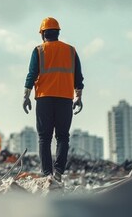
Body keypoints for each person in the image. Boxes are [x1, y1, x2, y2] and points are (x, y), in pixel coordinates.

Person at [22, 17, 84, 178]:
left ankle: (47, 173)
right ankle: (58, 172)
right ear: (57, 32)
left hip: (44, 99)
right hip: (65, 98)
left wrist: (26, 95)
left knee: (44, 138)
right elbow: (78, 77)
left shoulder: (39, 50)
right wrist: (79, 97)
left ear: (43, 34)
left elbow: (31, 74)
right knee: (63, 137)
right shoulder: (71, 50)